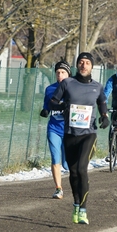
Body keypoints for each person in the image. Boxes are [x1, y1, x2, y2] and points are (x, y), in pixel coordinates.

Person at [49, 52, 109, 225]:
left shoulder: (97, 87)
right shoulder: (67, 83)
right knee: (73, 172)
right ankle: (76, 204)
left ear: (92, 66)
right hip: (70, 134)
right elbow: (53, 101)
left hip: (88, 135)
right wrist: (62, 105)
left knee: (82, 169)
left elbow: (102, 103)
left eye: (87, 63)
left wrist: (104, 116)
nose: (84, 65)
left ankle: (83, 209)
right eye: (81, 62)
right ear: (77, 65)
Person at [40, 60, 71, 199]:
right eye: (58, 72)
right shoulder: (50, 89)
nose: (60, 75)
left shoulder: (74, 89)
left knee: (66, 163)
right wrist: (45, 111)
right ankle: (58, 188)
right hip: (54, 128)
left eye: (63, 72)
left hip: (69, 130)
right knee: (55, 158)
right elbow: (47, 105)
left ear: (68, 74)